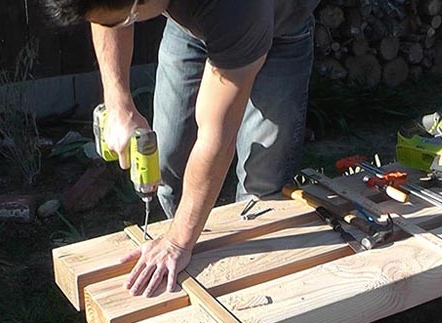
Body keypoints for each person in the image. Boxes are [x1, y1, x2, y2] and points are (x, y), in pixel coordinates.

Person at [44, 0, 318, 297]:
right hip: (191, 28)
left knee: (263, 188)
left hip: (280, 30)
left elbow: (216, 137)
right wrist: (118, 101)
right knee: (168, 161)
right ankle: (186, 247)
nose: (121, 24)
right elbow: (104, 14)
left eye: (126, 19)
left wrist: (178, 241)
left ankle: (257, 300)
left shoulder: (237, 9)